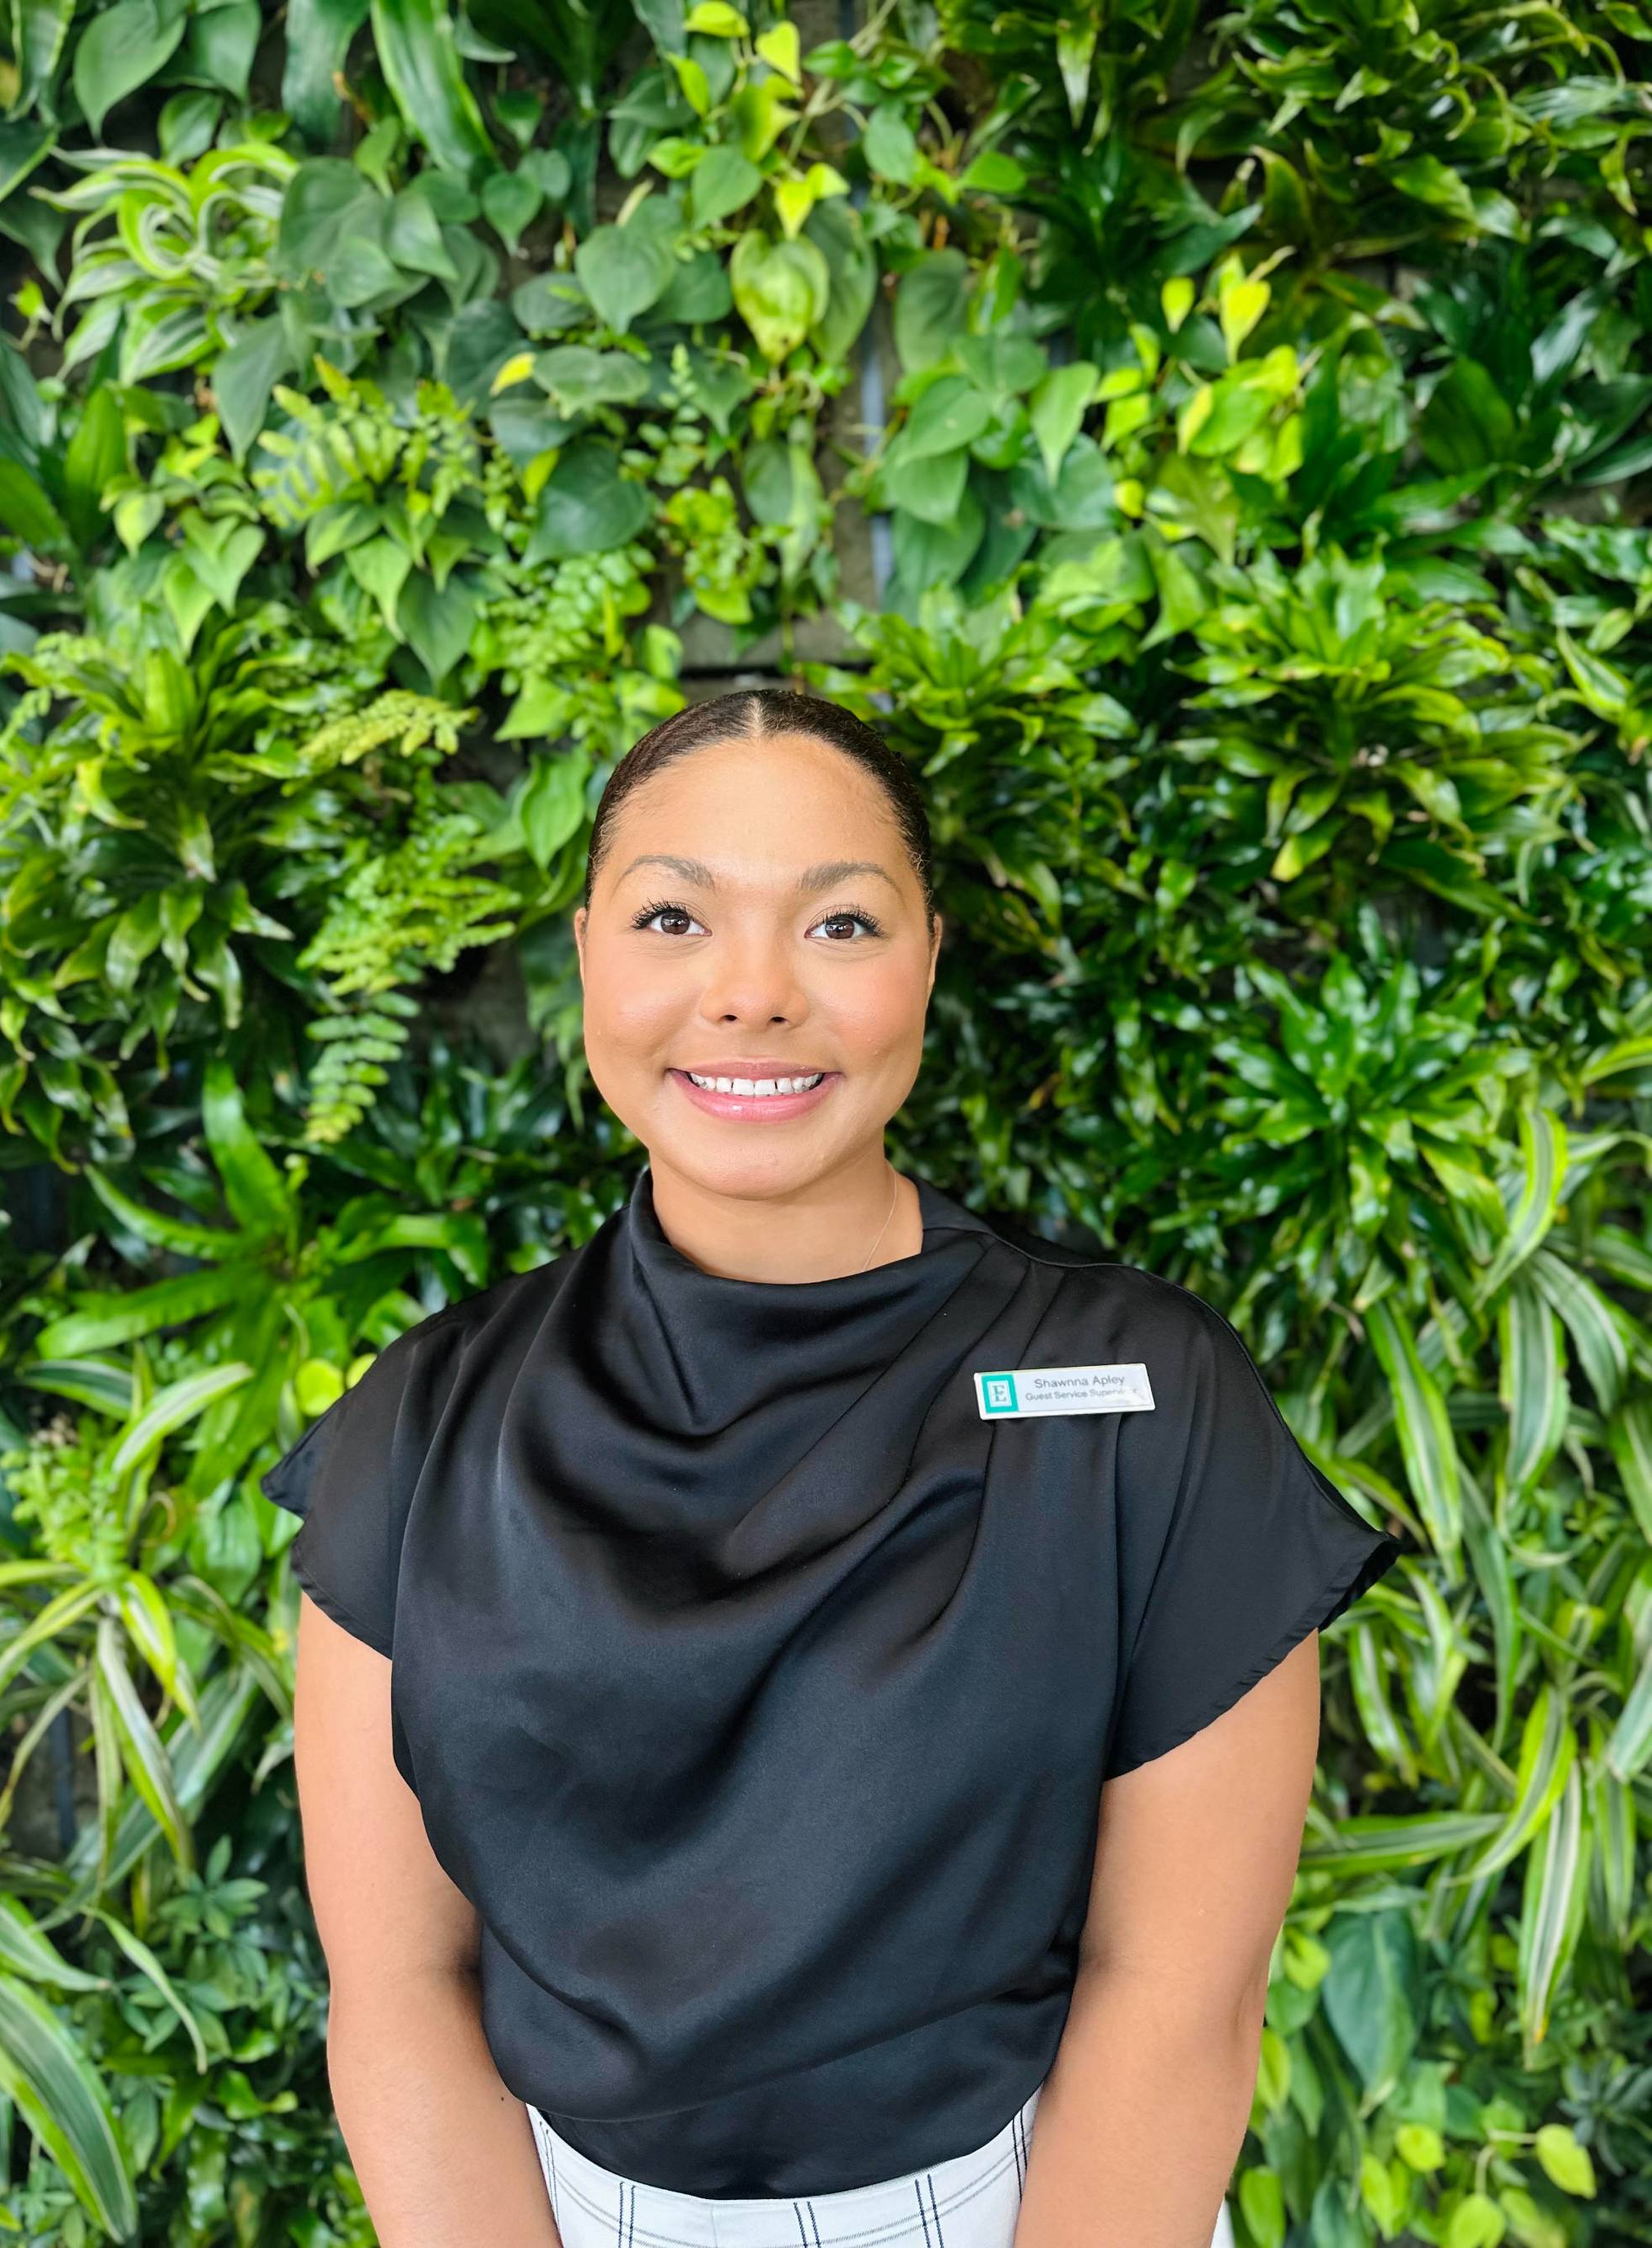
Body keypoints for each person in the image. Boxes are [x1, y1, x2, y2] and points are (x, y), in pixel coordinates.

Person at [266, 686, 1403, 2248]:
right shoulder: (429, 1420)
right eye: (675, 916)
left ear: (928, 952)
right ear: (588, 946)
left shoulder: (1144, 1401)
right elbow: (396, 1990)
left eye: (841, 926)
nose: (751, 996)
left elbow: (1179, 1999)